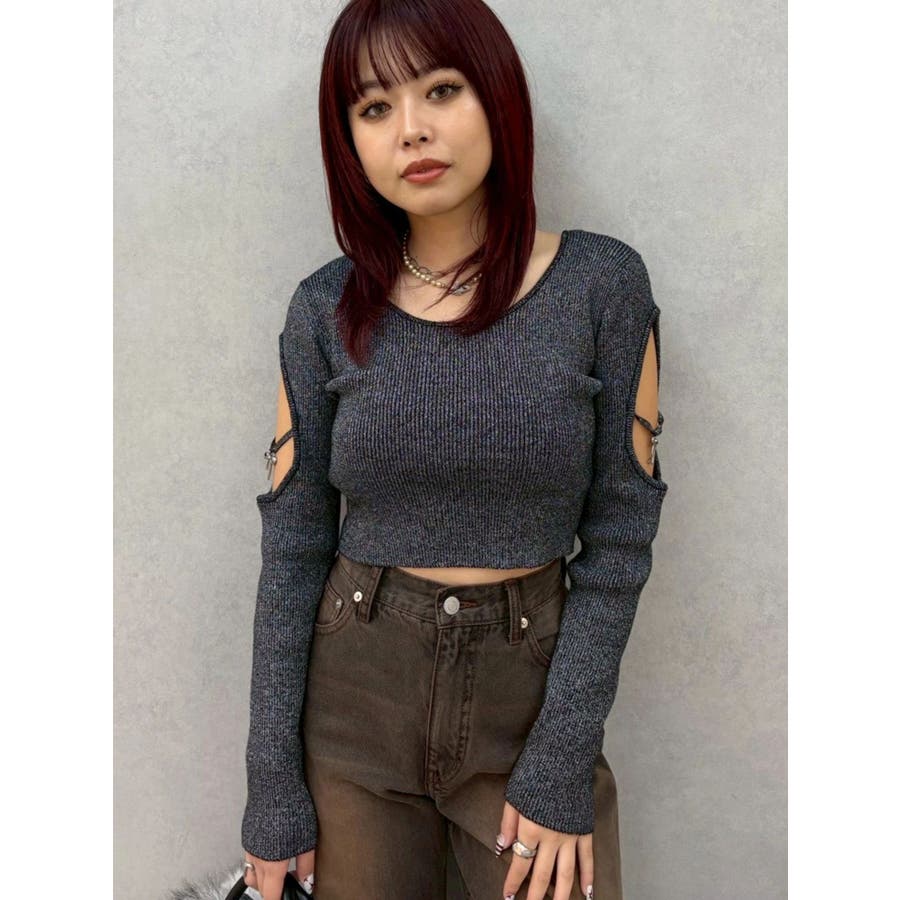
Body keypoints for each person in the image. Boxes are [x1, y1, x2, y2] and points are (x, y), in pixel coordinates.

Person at [240, 1, 669, 898]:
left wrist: (563, 756)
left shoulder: (603, 286)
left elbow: (621, 540)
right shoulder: (322, 310)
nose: (411, 129)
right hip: (354, 707)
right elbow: (293, 550)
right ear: (349, 140)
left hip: (530, 705)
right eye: (374, 107)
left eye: (441, 90)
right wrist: (271, 788)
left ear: (497, 97)